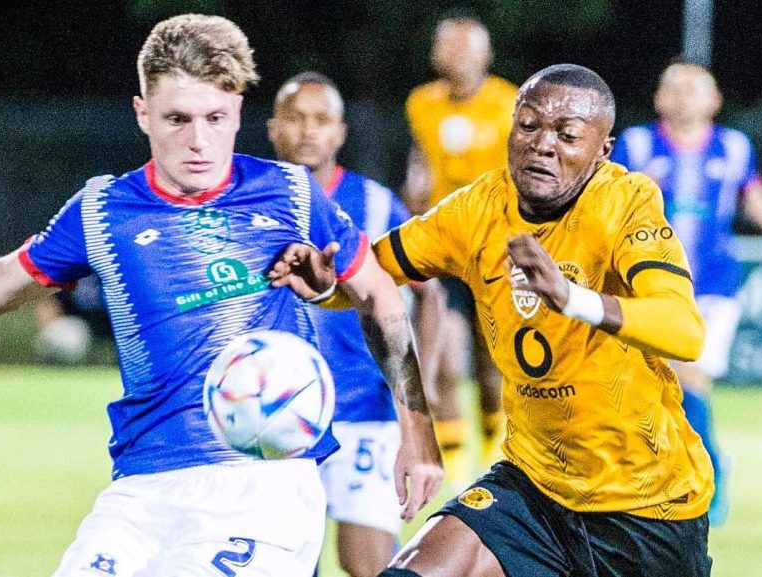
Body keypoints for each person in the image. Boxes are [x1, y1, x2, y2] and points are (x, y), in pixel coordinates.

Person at [0, 14, 442, 577]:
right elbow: (3, 279)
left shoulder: (287, 191)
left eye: (215, 118)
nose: (199, 142)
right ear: (142, 114)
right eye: (176, 119)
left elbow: (382, 297)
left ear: (237, 109)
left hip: (264, 486)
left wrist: (417, 431)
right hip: (140, 489)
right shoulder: (105, 209)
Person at [271, 64, 715, 577]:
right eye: (528, 126)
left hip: (648, 509)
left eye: (567, 135)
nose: (542, 145)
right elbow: (372, 276)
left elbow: (685, 331)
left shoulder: (626, 203)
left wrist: (574, 299)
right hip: (533, 490)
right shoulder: (477, 209)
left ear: (602, 152)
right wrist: (325, 282)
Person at [268, 71, 445, 577]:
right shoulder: (250, 202)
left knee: (367, 564)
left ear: (340, 133)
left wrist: (420, 386)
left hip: (363, 411)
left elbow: (429, 296)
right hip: (276, 415)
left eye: (321, 120)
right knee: (284, 562)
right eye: (295, 118)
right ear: (273, 127)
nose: (308, 130)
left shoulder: (373, 203)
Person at [609, 62, 762, 526]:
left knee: (690, 374)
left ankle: (709, 482)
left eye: (694, 90)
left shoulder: (733, 147)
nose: (683, 97)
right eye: (674, 88)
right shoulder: (637, 144)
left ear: (715, 101)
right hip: (648, 283)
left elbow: (759, 201)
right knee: (656, 386)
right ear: (659, 99)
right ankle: (687, 469)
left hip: (713, 286)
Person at [404, 14, 519, 485]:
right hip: (444, 249)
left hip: (495, 251)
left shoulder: (509, 102)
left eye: (465, 47)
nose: (454, 55)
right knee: (447, 363)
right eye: (447, 46)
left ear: (485, 54)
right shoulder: (421, 103)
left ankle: (496, 457)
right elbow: (419, 169)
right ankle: (454, 474)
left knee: (492, 371)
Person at [33, 274, 112, 364]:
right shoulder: (70, 265)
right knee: (68, 339)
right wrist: (50, 334)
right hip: (78, 329)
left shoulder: (122, 265)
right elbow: (49, 304)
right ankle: (61, 370)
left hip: (117, 327)